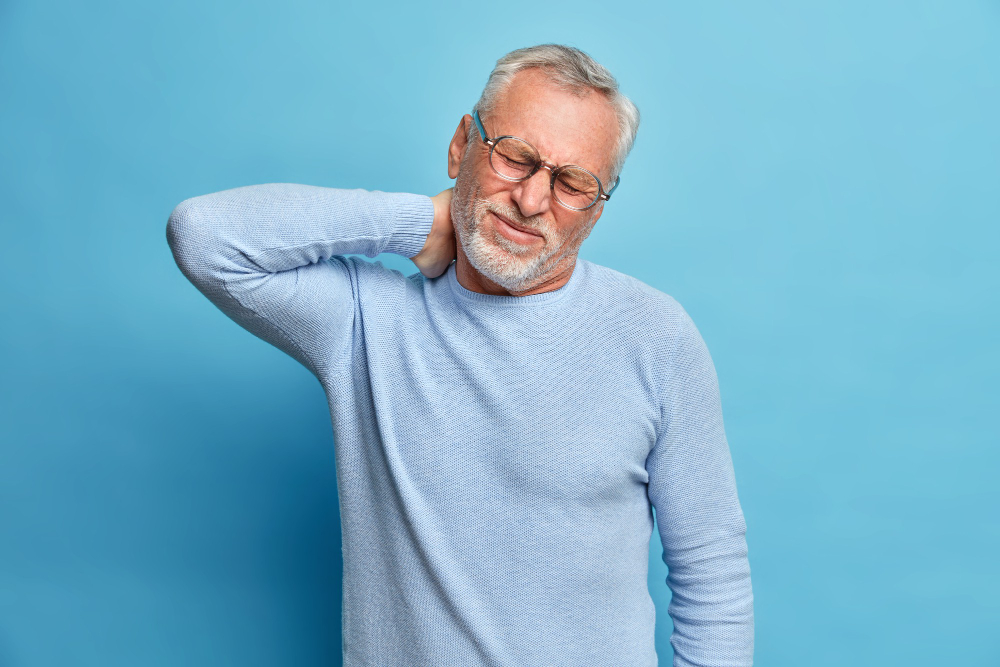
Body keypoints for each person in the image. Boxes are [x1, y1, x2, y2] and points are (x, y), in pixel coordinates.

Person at [166, 43, 753, 667]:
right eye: (515, 157)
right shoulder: (366, 323)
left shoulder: (655, 335)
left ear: (599, 203)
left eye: (573, 183)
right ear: (461, 146)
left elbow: (711, 575)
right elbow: (205, 238)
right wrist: (415, 222)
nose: (532, 200)